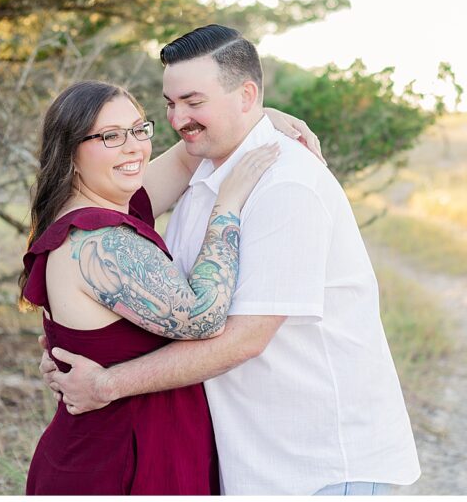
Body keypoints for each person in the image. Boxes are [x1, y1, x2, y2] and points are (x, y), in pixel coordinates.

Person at [40, 25, 421, 495]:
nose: (178, 119)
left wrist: (105, 383)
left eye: (194, 102)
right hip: (242, 458)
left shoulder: (285, 185)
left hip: (316, 464)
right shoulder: (199, 170)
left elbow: (242, 339)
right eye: (170, 104)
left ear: (246, 95)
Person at [21, 79, 318, 494]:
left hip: (140, 451)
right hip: (118, 466)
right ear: (70, 151)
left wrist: (256, 116)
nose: (134, 148)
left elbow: (182, 160)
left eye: (140, 129)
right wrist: (227, 207)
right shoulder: (99, 239)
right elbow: (205, 317)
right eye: (110, 136)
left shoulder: (102, 205)